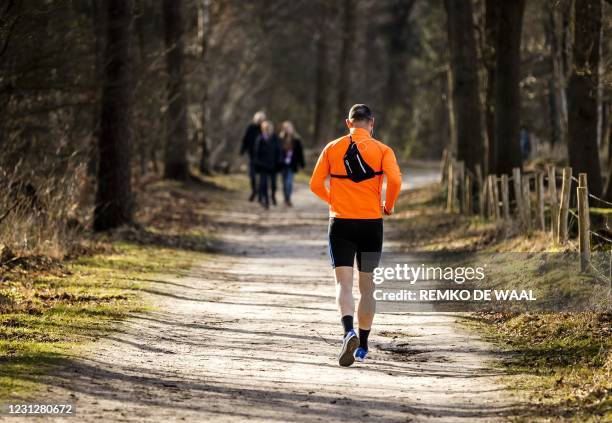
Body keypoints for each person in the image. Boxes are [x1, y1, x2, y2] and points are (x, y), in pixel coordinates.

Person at [310, 104, 402, 367]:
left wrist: (334, 200)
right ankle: (362, 345)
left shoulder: (332, 148)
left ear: (348, 123)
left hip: (340, 222)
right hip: (371, 223)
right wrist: (389, 205)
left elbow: (315, 184)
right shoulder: (383, 150)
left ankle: (347, 331)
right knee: (367, 285)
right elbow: (394, 180)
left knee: (343, 284)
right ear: (371, 123)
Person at [254, 120, 281, 209]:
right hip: (263, 166)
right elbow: (256, 153)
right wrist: (258, 163)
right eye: (267, 129)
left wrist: (279, 162)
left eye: (270, 129)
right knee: (264, 184)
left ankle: (273, 195)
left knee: (273, 184)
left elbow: (279, 151)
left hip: (273, 165)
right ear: (263, 129)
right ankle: (266, 201)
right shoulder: (260, 139)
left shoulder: (275, 138)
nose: (269, 130)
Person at [240, 111, 266, 201]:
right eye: (257, 118)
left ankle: (261, 194)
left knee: (263, 177)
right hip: (252, 155)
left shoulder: (265, 129)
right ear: (254, 119)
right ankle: (254, 191)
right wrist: (242, 150)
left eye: (261, 119)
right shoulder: (250, 128)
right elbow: (245, 139)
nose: (259, 120)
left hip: (263, 157)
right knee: (252, 175)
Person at [279, 121, 305, 206]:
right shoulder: (280, 139)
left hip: (291, 164)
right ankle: (286, 198)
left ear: (292, 129)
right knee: (284, 182)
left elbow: (300, 153)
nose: (288, 130)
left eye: (289, 128)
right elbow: (277, 152)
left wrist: (302, 164)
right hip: (282, 164)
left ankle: (288, 198)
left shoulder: (297, 140)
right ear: (284, 129)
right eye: (286, 128)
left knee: (289, 182)